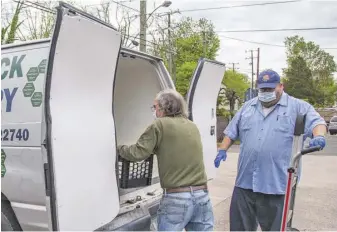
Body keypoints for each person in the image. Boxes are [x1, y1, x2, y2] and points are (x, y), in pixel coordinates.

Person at [214, 69, 327, 231]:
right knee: (239, 228)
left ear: (281, 86)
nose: (266, 93)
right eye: (262, 89)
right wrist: (222, 149)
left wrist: (319, 136)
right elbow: (232, 131)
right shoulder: (248, 107)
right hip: (245, 183)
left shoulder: (297, 107)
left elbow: (317, 122)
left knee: (275, 229)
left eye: (270, 89)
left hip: (276, 185)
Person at [117, 89, 214, 231]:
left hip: (177, 199)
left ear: (163, 108)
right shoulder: (192, 126)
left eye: (155, 107)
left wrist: (118, 148)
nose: (154, 111)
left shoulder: (159, 125)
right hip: (202, 196)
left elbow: (138, 153)